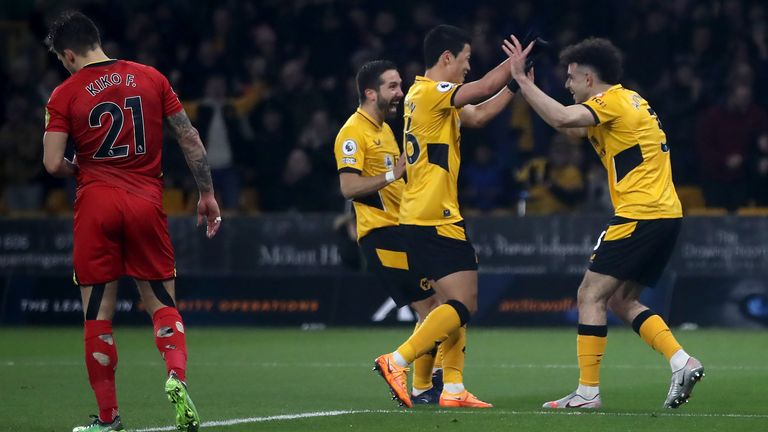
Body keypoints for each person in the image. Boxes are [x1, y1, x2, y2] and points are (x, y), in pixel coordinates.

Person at [42, 11, 221, 432]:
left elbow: (52, 164)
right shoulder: (151, 77)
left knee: (98, 314)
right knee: (161, 302)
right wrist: (207, 193)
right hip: (146, 201)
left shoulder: (64, 94)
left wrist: (81, 169)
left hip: (96, 205)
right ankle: (176, 377)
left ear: (69, 54)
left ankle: (108, 419)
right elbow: (190, 138)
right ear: (96, 40)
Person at [504, 35, 704, 409]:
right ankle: (682, 362)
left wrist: (523, 82)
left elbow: (563, 116)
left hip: (639, 214)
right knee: (621, 298)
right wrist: (527, 91)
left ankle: (587, 392)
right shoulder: (631, 101)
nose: (567, 85)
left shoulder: (609, 102)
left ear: (589, 79)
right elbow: (569, 126)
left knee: (589, 295)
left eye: (570, 78)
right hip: (665, 214)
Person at [373, 24, 530, 408]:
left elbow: (476, 115)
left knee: (449, 306)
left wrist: (513, 86)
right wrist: (513, 66)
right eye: (465, 59)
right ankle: (396, 361)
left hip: (423, 213)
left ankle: (454, 390)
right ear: (447, 58)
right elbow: (477, 90)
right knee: (465, 304)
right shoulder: (430, 92)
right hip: (433, 216)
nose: (468, 67)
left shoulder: (425, 98)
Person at [334, 60, 444, 405]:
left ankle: (426, 385)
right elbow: (348, 187)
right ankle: (420, 380)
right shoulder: (353, 132)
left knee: (438, 304)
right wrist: (391, 176)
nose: (400, 93)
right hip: (380, 235)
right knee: (431, 306)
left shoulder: (384, 129)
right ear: (371, 92)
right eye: (393, 87)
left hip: (404, 229)